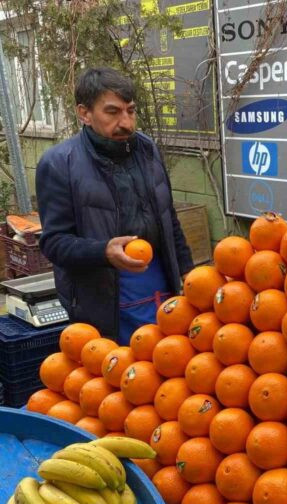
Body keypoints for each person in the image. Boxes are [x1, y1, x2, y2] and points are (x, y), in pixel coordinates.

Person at [36, 67, 193, 344]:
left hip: (161, 285)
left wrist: (189, 273)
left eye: (130, 111)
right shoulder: (60, 164)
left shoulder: (147, 150)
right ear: (84, 113)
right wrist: (103, 251)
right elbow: (54, 243)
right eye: (112, 112)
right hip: (105, 298)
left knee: (171, 369)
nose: (126, 123)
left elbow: (169, 220)